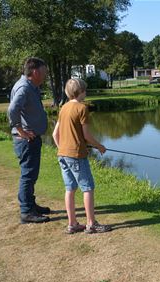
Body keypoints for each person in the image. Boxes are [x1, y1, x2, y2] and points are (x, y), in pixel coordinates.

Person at [52, 78, 111, 234]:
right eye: (85, 90)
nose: (86, 93)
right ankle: (91, 224)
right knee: (88, 188)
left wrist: (63, 149)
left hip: (62, 155)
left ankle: (72, 224)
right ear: (81, 91)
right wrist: (100, 146)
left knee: (70, 189)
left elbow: (54, 134)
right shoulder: (82, 108)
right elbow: (86, 136)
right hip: (77, 155)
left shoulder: (63, 108)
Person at [8, 57, 51, 224]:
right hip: (27, 141)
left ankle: (30, 204)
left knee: (31, 175)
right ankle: (26, 211)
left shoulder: (31, 86)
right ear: (35, 72)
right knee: (28, 175)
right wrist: (21, 131)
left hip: (31, 140)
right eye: (44, 71)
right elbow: (12, 109)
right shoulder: (24, 88)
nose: (46, 74)